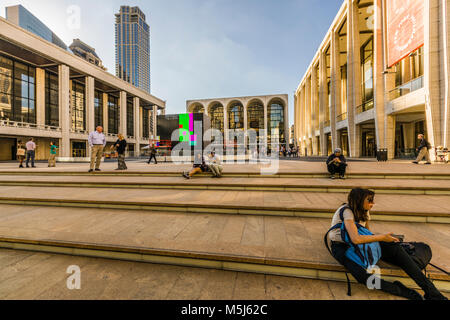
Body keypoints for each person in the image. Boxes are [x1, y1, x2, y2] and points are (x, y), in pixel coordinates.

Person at [328, 188, 447, 300]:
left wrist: (385, 241)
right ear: (359, 201)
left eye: (372, 200)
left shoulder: (364, 211)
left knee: (396, 250)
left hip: (360, 243)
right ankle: (401, 290)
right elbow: (355, 239)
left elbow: (368, 233)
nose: (372, 203)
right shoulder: (347, 211)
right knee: (364, 277)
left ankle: (433, 293)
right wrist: (383, 237)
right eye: (369, 200)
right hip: (342, 247)